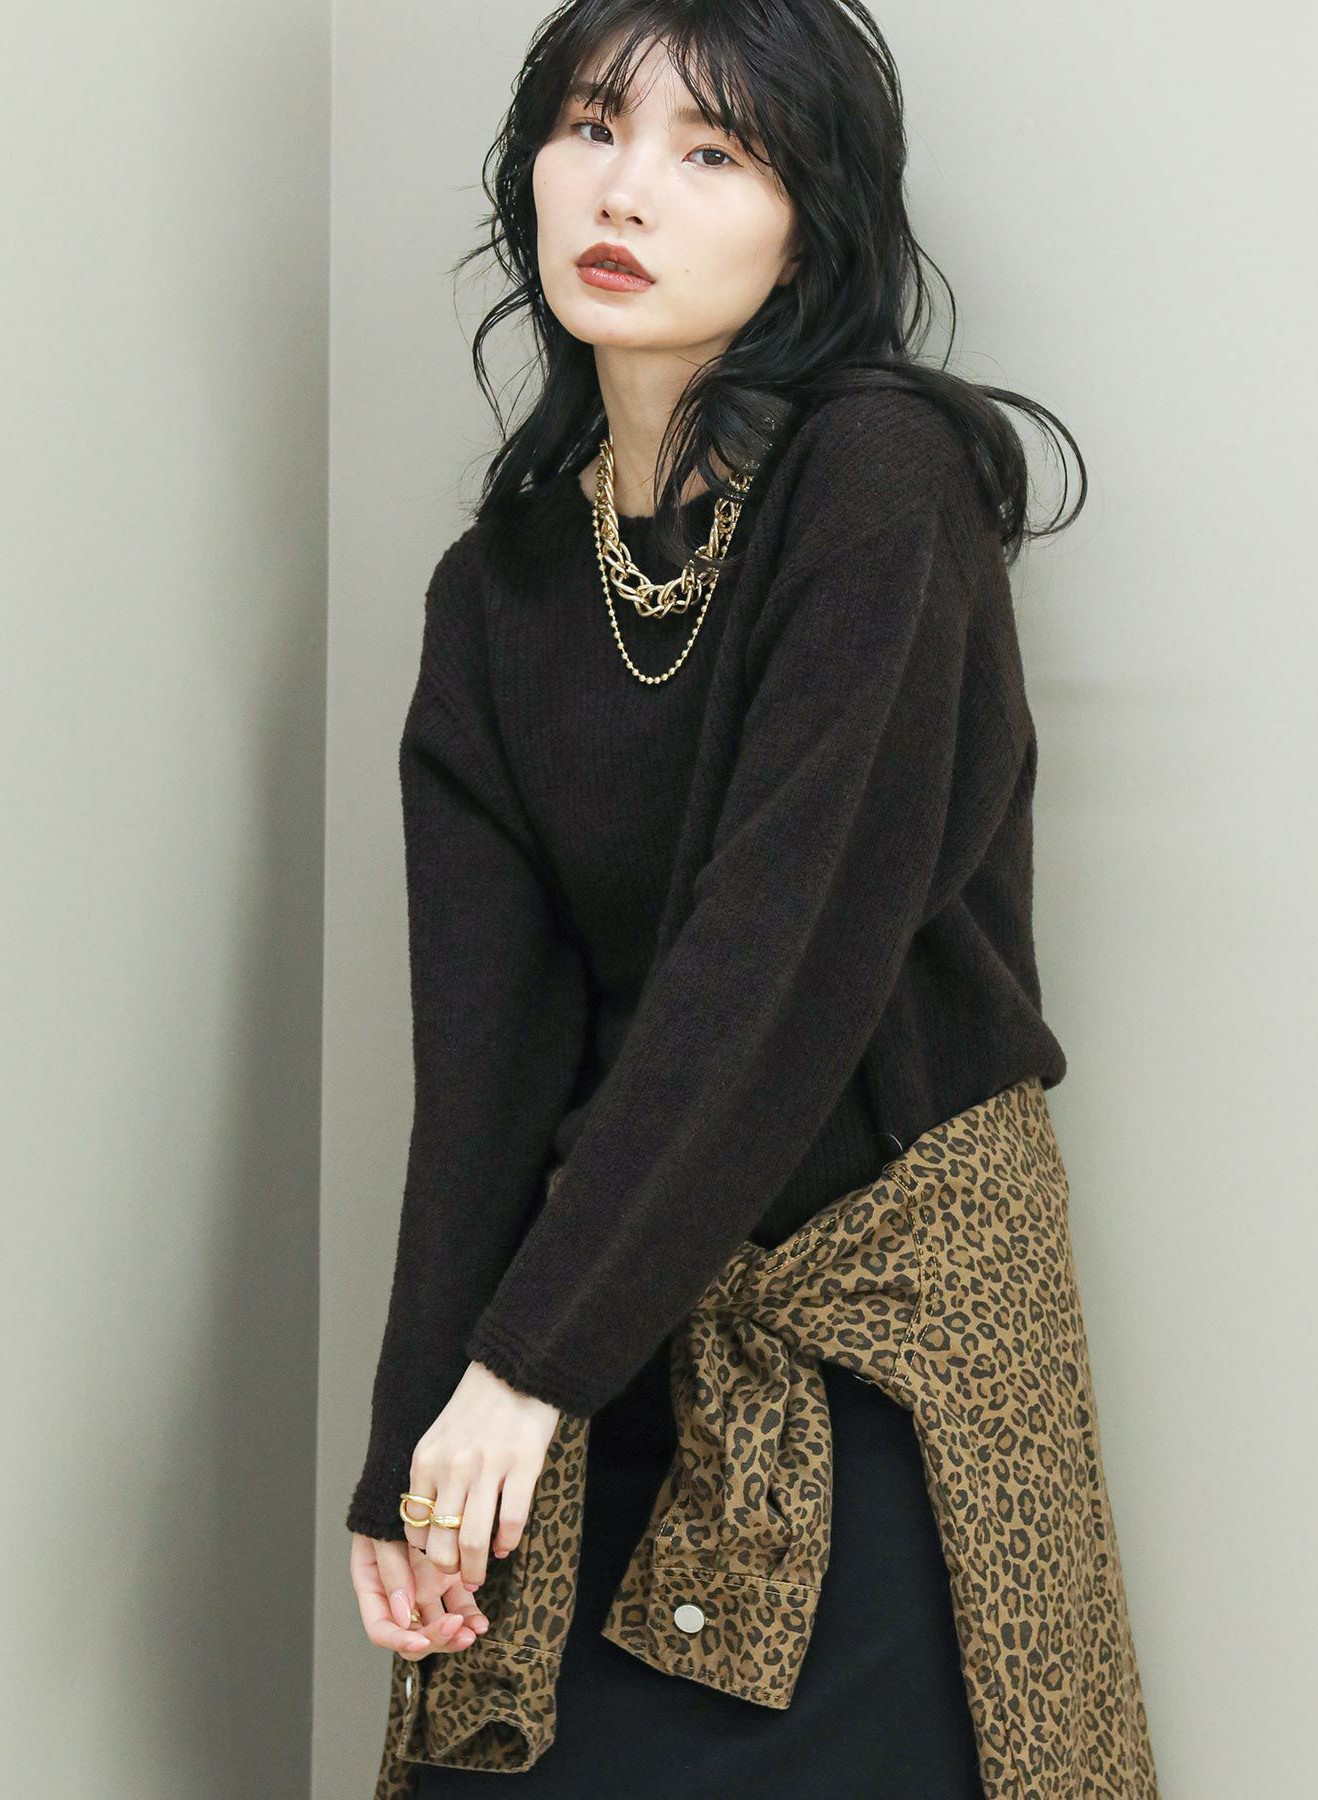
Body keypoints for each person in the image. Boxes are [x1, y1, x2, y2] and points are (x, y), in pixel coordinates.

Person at [345, 4, 1123, 1794]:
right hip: (600, 1328)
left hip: (883, 1349)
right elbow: (485, 1068)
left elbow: (781, 961)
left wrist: (522, 1372)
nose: (627, 191)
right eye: (593, 128)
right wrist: (413, 1447)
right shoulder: (501, 589)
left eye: (714, 152)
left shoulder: (880, 482)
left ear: (810, 228)